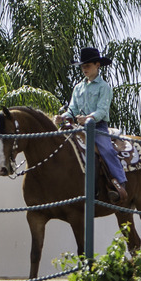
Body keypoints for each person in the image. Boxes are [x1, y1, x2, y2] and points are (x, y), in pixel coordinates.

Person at [54, 47, 129, 204]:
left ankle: (120, 183)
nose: (84, 69)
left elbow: (102, 111)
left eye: (87, 65)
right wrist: (63, 117)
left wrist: (88, 118)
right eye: (82, 66)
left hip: (98, 127)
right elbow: (72, 109)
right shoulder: (78, 88)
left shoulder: (104, 87)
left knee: (107, 149)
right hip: (79, 127)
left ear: (97, 65)